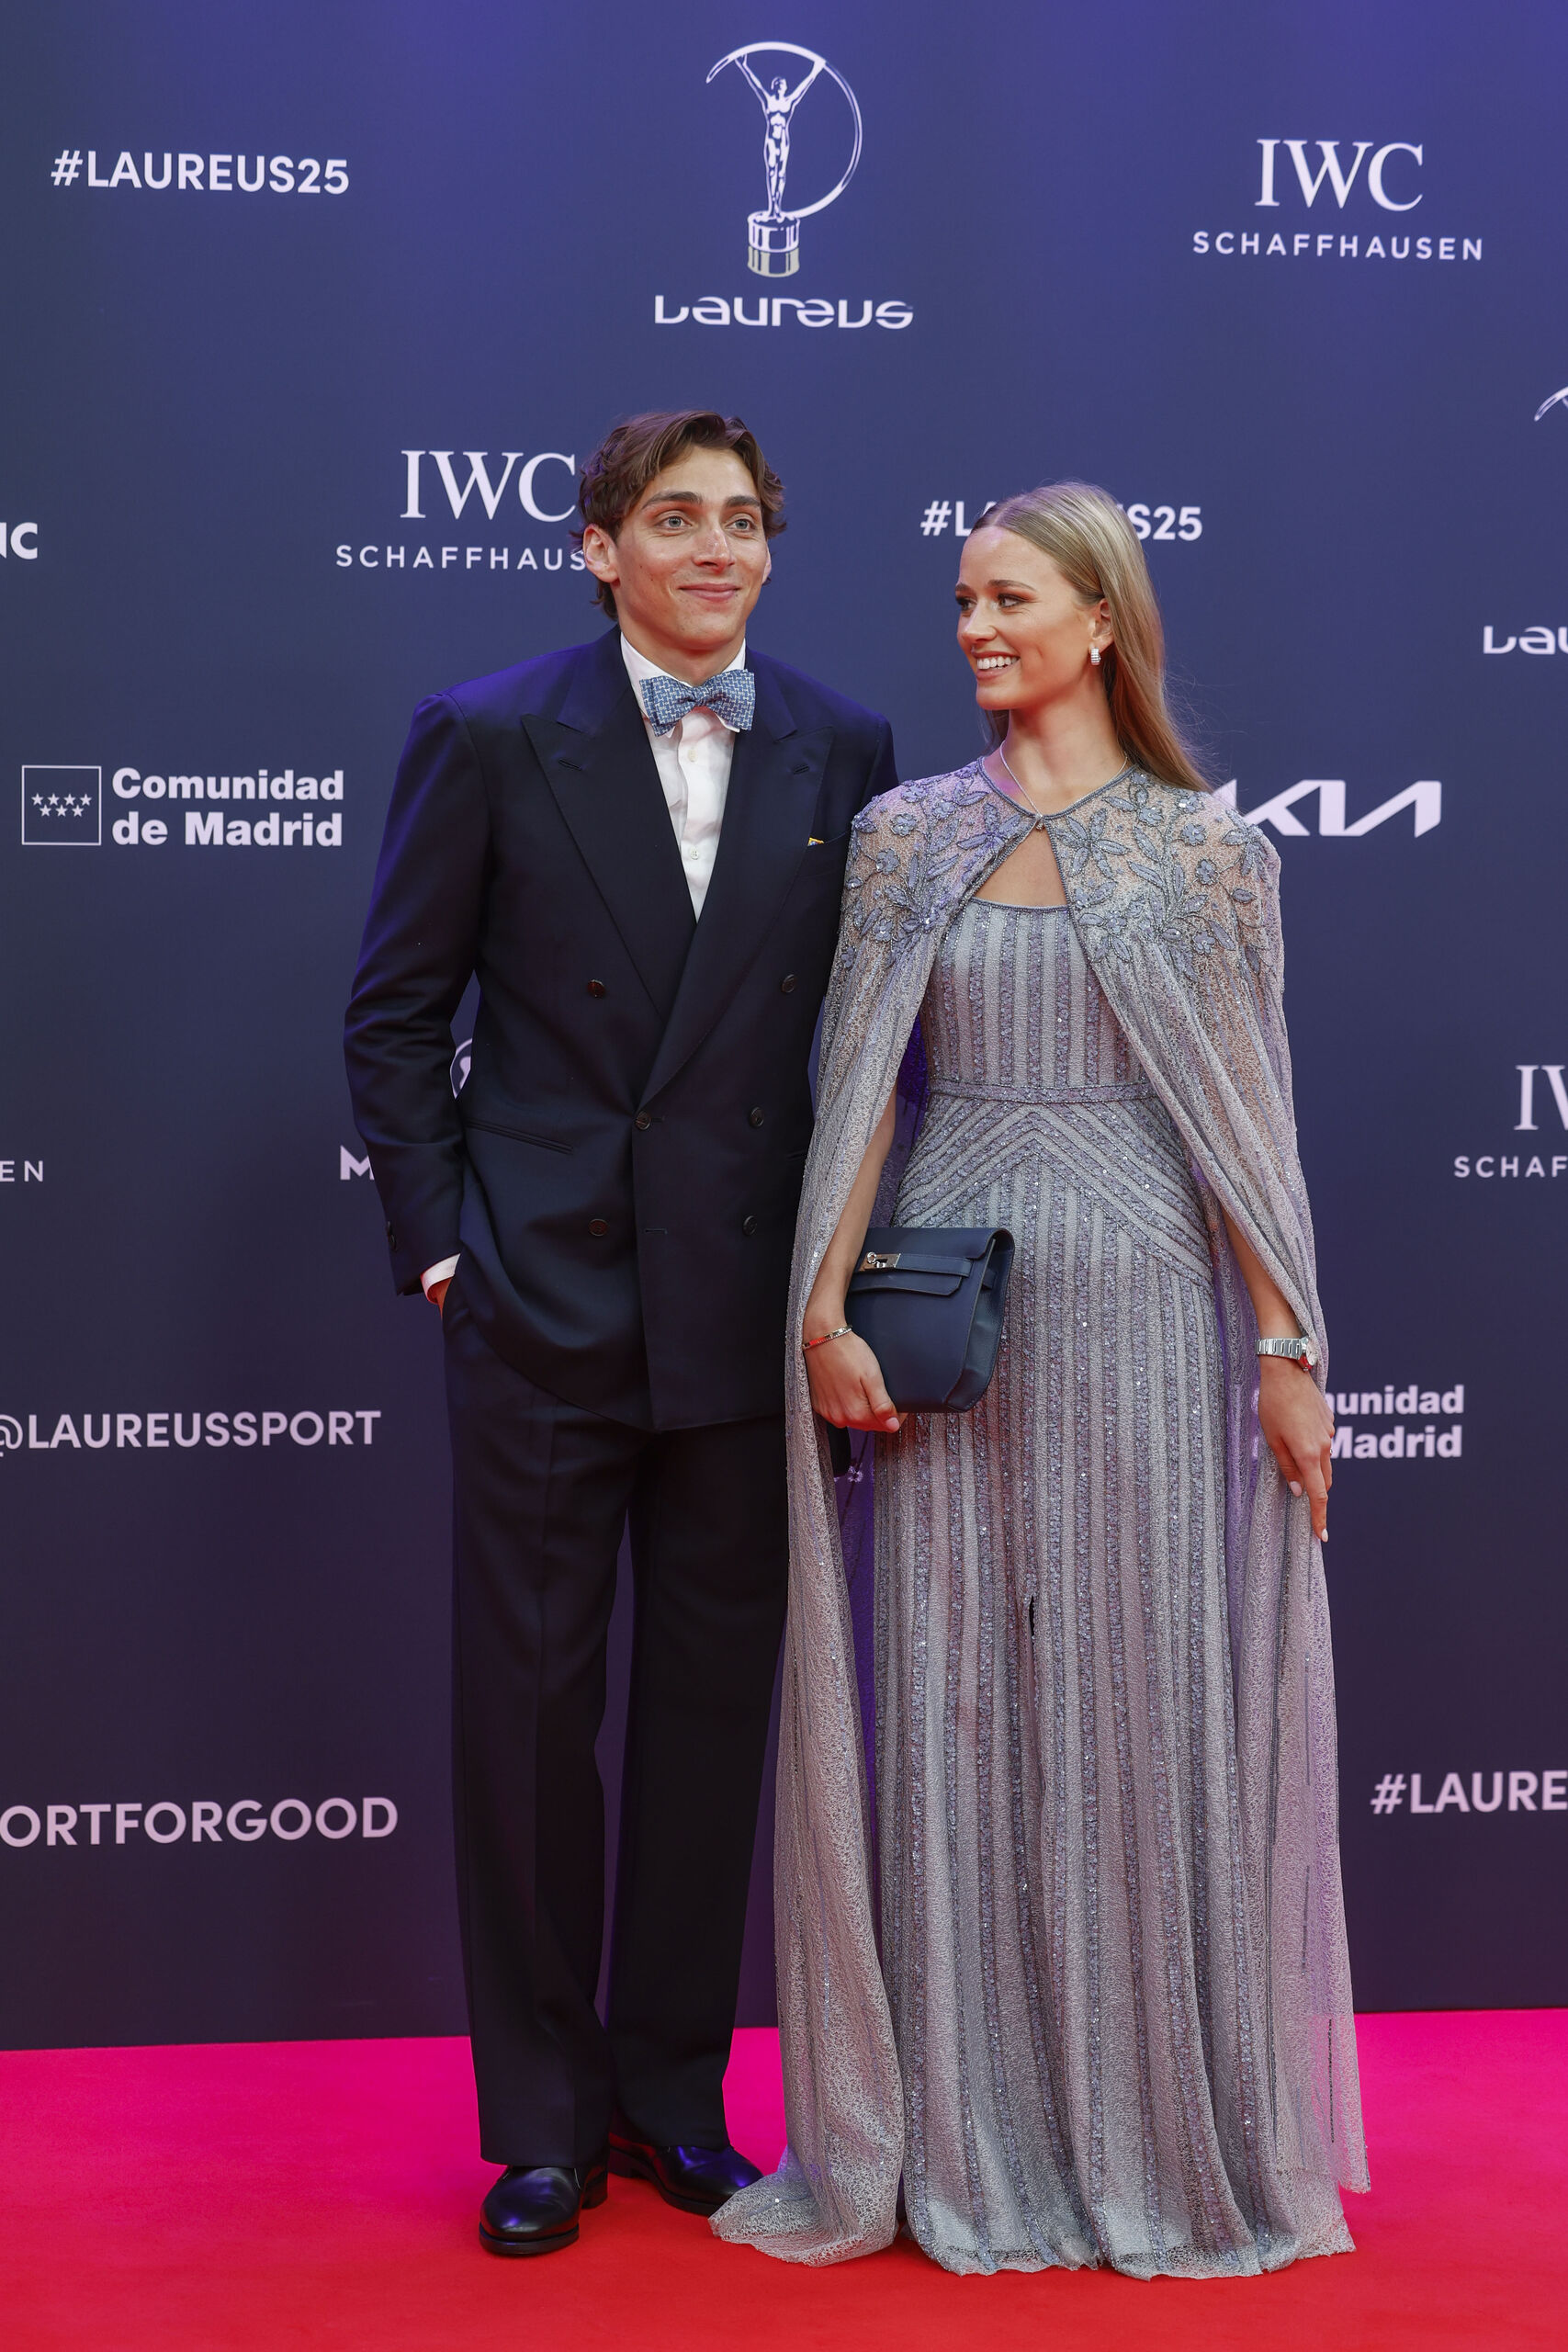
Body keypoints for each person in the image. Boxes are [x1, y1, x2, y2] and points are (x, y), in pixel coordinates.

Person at [714, 482, 1369, 2274]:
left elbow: (1248, 1130)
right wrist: (823, 1310)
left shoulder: (1205, 851)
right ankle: (965, 2127)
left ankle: (1153, 2129)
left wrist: (1287, 1348)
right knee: (953, 1697)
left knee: (1138, 1703)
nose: (974, 629)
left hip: (1148, 1307)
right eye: (961, 600)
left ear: (1100, 620)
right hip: (951, 1311)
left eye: (1008, 598)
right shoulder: (905, 834)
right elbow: (859, 1093)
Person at [344, 410, 897, 2257]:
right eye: (673, 518)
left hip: (746, 1311)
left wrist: (836, 1281)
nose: (714, 547)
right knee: (526, 1721)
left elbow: (856, 1039)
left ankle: (671, 2095)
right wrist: (446, 1253)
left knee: (709, 1725)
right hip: (541, 1299)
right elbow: (395, 1015)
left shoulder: (842, 742)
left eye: (742, 518)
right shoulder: (491, 731)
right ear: (598, 548)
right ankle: (537, 2123)